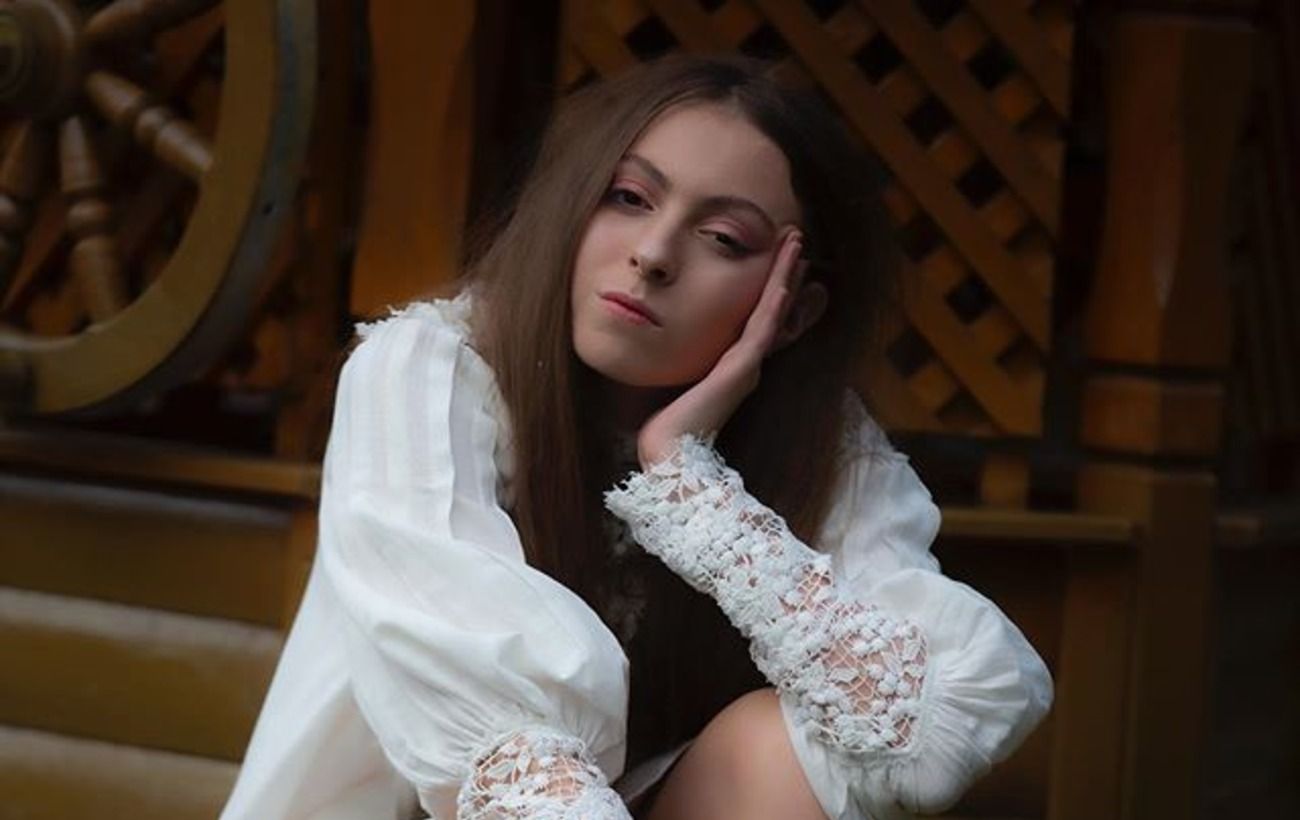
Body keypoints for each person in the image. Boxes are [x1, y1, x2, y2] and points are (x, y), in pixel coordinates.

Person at [220, 54, 1052, 820]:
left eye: (723, 239)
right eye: (628, 198)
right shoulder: (428, 369)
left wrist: (691, 486)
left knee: (776, 747)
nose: (653, 254)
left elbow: (927, 734)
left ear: (793, 309)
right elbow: (512, 760)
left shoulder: (828, 448)